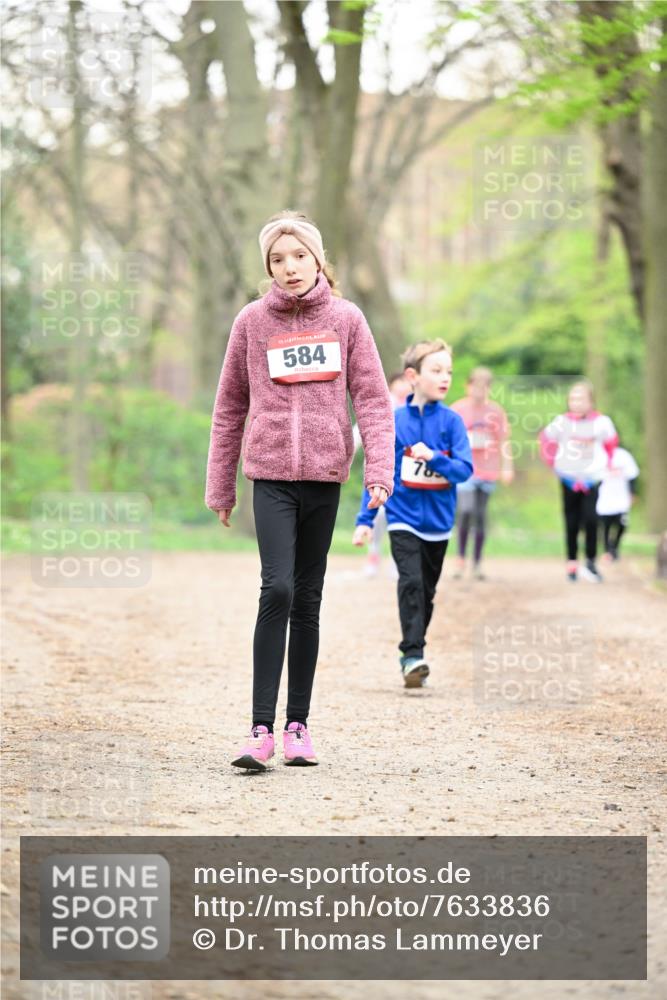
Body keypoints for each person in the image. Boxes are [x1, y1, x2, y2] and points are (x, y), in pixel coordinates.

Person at [205, 210, 395, 770]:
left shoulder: (347, 319)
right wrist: (222, 485)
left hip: (324, 474)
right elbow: (229, 408)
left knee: (308, 600)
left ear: (318, 260)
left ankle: (298, 727)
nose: (288, 268)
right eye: (277, 260)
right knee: (278, 589)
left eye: (298, 257)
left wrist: (378, 471)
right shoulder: (250, 322)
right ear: (268, 267)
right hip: (269, 476)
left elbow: (375, 401)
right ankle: (259, 729)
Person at [352, 340, 473, 688]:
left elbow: (464, 471)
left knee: (427, 592)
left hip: (438, 523)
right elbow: (378, 474)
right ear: (413, 376)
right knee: (410, 582)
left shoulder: (452, 423)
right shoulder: (394, 422)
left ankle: (414, 649)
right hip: (402, 516)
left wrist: (434, 457)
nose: (445, 377)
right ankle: (413, 655)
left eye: (448, 371)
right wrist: (364, 521)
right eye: (436, 370)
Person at [539, 380, 617, 583]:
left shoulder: (602, 422)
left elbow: (611, 444)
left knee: (592, 520)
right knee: (571, 521)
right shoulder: (561, 422)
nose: (577, 402)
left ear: (591, 401)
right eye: (573, 398)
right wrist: (553, 463)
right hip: (568, 480)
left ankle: (591, 562)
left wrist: (605, 465)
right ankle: (572, 563)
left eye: (581, 398)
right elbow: (546, 440)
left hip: (592, 480)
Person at [449, 367, 514, 580]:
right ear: (467, 386)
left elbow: (504, 441)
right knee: (465, 511)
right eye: (475, 387)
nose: (479, 392)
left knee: (480, 515)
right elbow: (446, 438)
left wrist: (507, 466)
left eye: (484, 388)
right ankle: (460, 559)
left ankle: (476, 563)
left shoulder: (496, 412)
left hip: (488, 469)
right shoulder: (458, 409)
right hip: (465, 469)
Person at [352, 372, 412, 578]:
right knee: (376, 515)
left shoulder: (414, 409)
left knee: (396, 517)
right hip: (377, 471)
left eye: (407, 383)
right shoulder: (383, 404)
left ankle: (398, 560)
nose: (404, 386)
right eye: (400, 382)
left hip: (403, 474)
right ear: (391, 384)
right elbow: (361, 429)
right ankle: (374, 554)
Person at [596, 443, 639, 562]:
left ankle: (614, 547)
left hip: (621, 497)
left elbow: (632, 475)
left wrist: (632, 492)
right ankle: (607, 550)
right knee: (605, 526)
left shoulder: (624, 456)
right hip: (605, 497)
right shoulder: (600, 455)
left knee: (622, 524)